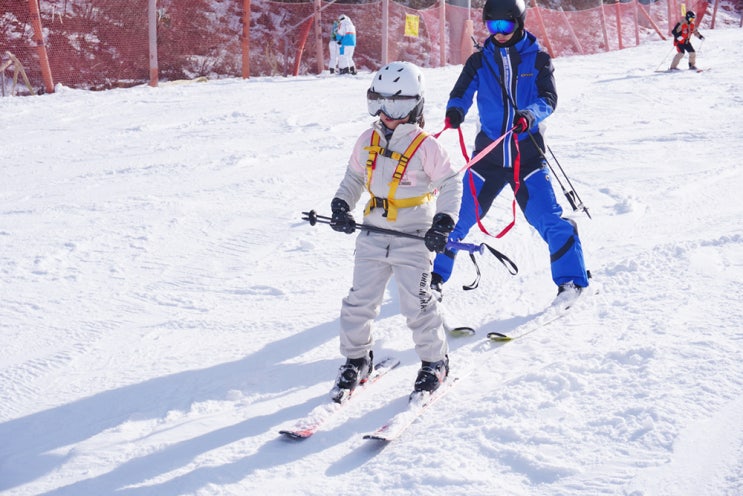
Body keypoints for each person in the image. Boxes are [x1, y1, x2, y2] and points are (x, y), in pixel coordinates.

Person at [432, 0, 589, 306]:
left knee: (549, 219)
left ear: (519, 22)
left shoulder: (538, 59)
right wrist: (455, 111)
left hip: (527, 158)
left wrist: (529, 115)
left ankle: (570, 281)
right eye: (493, 26)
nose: (499, 32)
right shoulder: (480, 61)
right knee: (454, 218)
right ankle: (434, 278)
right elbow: (461, 92)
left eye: (506, 25)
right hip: (488, 159)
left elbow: (548, 98)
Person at [328, 61, 463, 402]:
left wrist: (443, 222)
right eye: (379, 102)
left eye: (397, 105)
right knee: (359, 302)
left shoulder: (425, 146)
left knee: (417, 303)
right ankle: (357, 358)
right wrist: (341, 205)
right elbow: (354, 178)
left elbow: (450, 183)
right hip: (373, 231)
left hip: (414, 234)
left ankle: (435, 362)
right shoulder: (367, 139)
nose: (387, 113)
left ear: (415, 105)